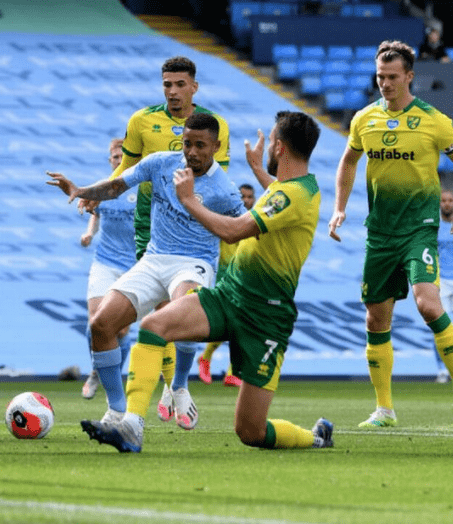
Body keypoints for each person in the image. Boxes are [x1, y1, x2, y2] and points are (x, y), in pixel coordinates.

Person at [82, 111, 333, 453]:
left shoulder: (293, 195)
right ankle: (131, 426)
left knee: (250, 431)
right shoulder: (294, 189)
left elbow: (232, 231)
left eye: (271, 142)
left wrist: (187, 199)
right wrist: (258, 168)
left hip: (266, 317)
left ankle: (315, 437)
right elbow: (277, 195)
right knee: (154, 326)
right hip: (230, 298)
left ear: (279, 146)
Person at [47, 113, 246, 435]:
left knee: (177, 314)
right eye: (187, 144)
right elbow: (115, 186)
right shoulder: (161, 163)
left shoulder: (223, 189)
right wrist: (82, 189)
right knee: (101, 325)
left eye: (200, 146)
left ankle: (178, 387)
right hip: (154, 260)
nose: (192, 152)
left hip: (194, 263)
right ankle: (115, 409)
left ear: (216, 146)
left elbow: (244, 227)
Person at [329, 40, 453, 428]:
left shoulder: (434, 120)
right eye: (379, 77)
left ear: (409, 77)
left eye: (391, 77)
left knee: (428, 305)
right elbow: (348, 162)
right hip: (380, 235)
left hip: (419, 230)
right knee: (375, 321)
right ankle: (384, 410)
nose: (384, 83)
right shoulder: (363, 119)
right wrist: (339, 207)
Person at [107, 56, 233, 428]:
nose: (173, 91)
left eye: (180, 84)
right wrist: (96, 193)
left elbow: (212, 180)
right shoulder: (141, 120)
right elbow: (124, 170)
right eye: (167, 84)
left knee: (183, 311)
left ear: (194, 86)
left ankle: (176, 385)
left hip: (195, 227)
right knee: (158, 314)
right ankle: (153, 396)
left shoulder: (213, 125)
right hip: (151, 223)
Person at [79, 138, 136, 400]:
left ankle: (108, 376)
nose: (117, 160)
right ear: (110, 160)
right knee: (96, 322)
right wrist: (89, 233)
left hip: (132, 266)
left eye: (121, 156)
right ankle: (95, 371)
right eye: (114, 157)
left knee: (121, 330)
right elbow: (96, 214)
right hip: (105, 261)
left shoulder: (139, 188)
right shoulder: (103, 188)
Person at [198, 183, 259, 387]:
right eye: (242, 196)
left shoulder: (259, 221)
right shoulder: (229, 219)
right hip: (227, 275)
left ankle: (233, 372)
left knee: (244, 324)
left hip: (248, 277)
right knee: (228, 322)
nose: (246, 200)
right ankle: (206, 357)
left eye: (250, 197)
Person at [436, 188, 453, 383]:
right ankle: (441, 369)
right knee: (440, 325)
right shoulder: (434, 225)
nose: (447, 203)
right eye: (443, 201)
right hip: (441, 280)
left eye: (450, 200)